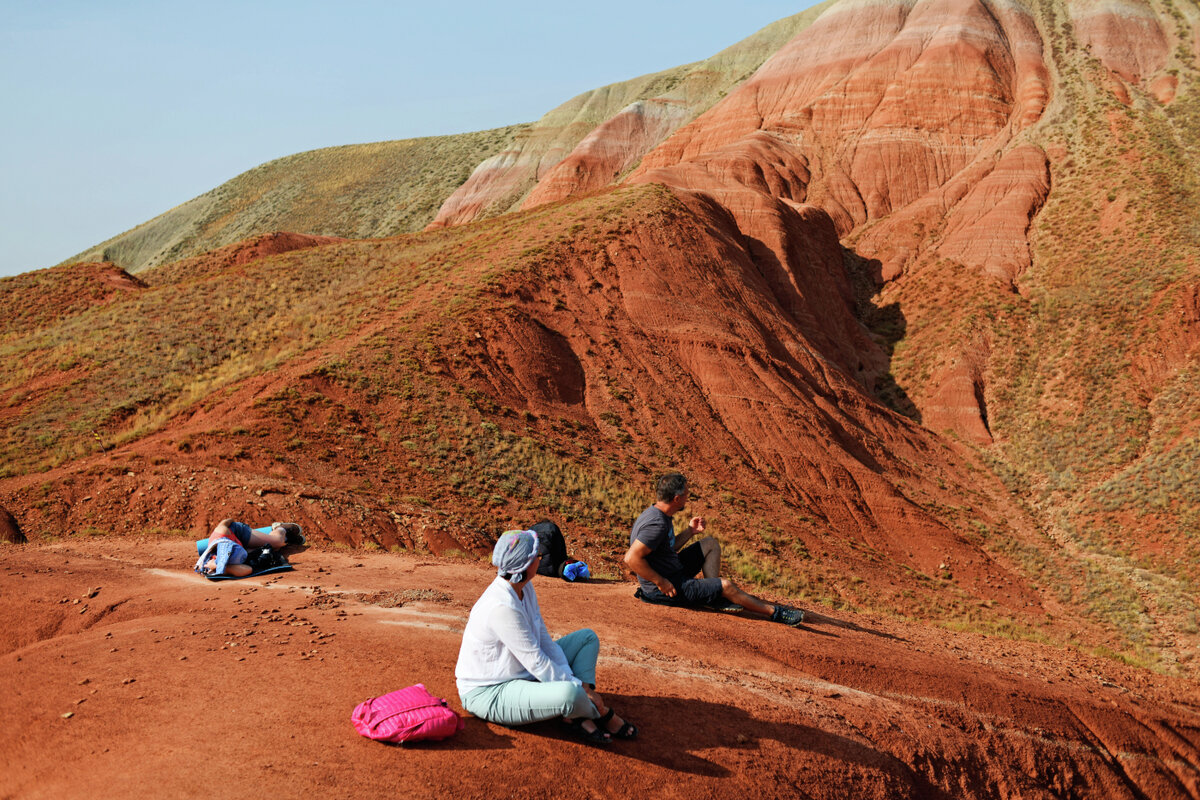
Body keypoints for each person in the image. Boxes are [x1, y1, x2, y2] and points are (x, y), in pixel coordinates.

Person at [455, 529, 636, 745]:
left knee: (587, 639)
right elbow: (536, 661)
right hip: (491, 691)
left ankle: (578, 709)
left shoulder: (524, 587)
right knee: (568, 694)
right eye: (537, 556)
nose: (540, 560)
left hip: (520, 672)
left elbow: (544, 641)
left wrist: (580, 686)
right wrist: (576, 688)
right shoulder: (502, 607)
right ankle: (598, 713)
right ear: (525, 565)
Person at [624, 473, 805, 626]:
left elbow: (667, 548)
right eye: (686, 495)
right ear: (676, 498)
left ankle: (715, 598)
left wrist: (690, 531)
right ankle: (776, 613)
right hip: (664, 590)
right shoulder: (657, 524)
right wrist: (660, 581)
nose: (688, 497)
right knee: (726, 585)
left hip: (672, 570)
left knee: (710, 543)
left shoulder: (658, 513)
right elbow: (631, 558)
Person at [194, 519, 304, 577]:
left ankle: (281, 528)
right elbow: (247, 570)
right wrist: (220, 567)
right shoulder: (217, 560)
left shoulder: (221, 532)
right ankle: (288, 538)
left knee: (277, 542)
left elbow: (226, 521)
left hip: (239, 532)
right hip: (241, 547)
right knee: (270, 550)